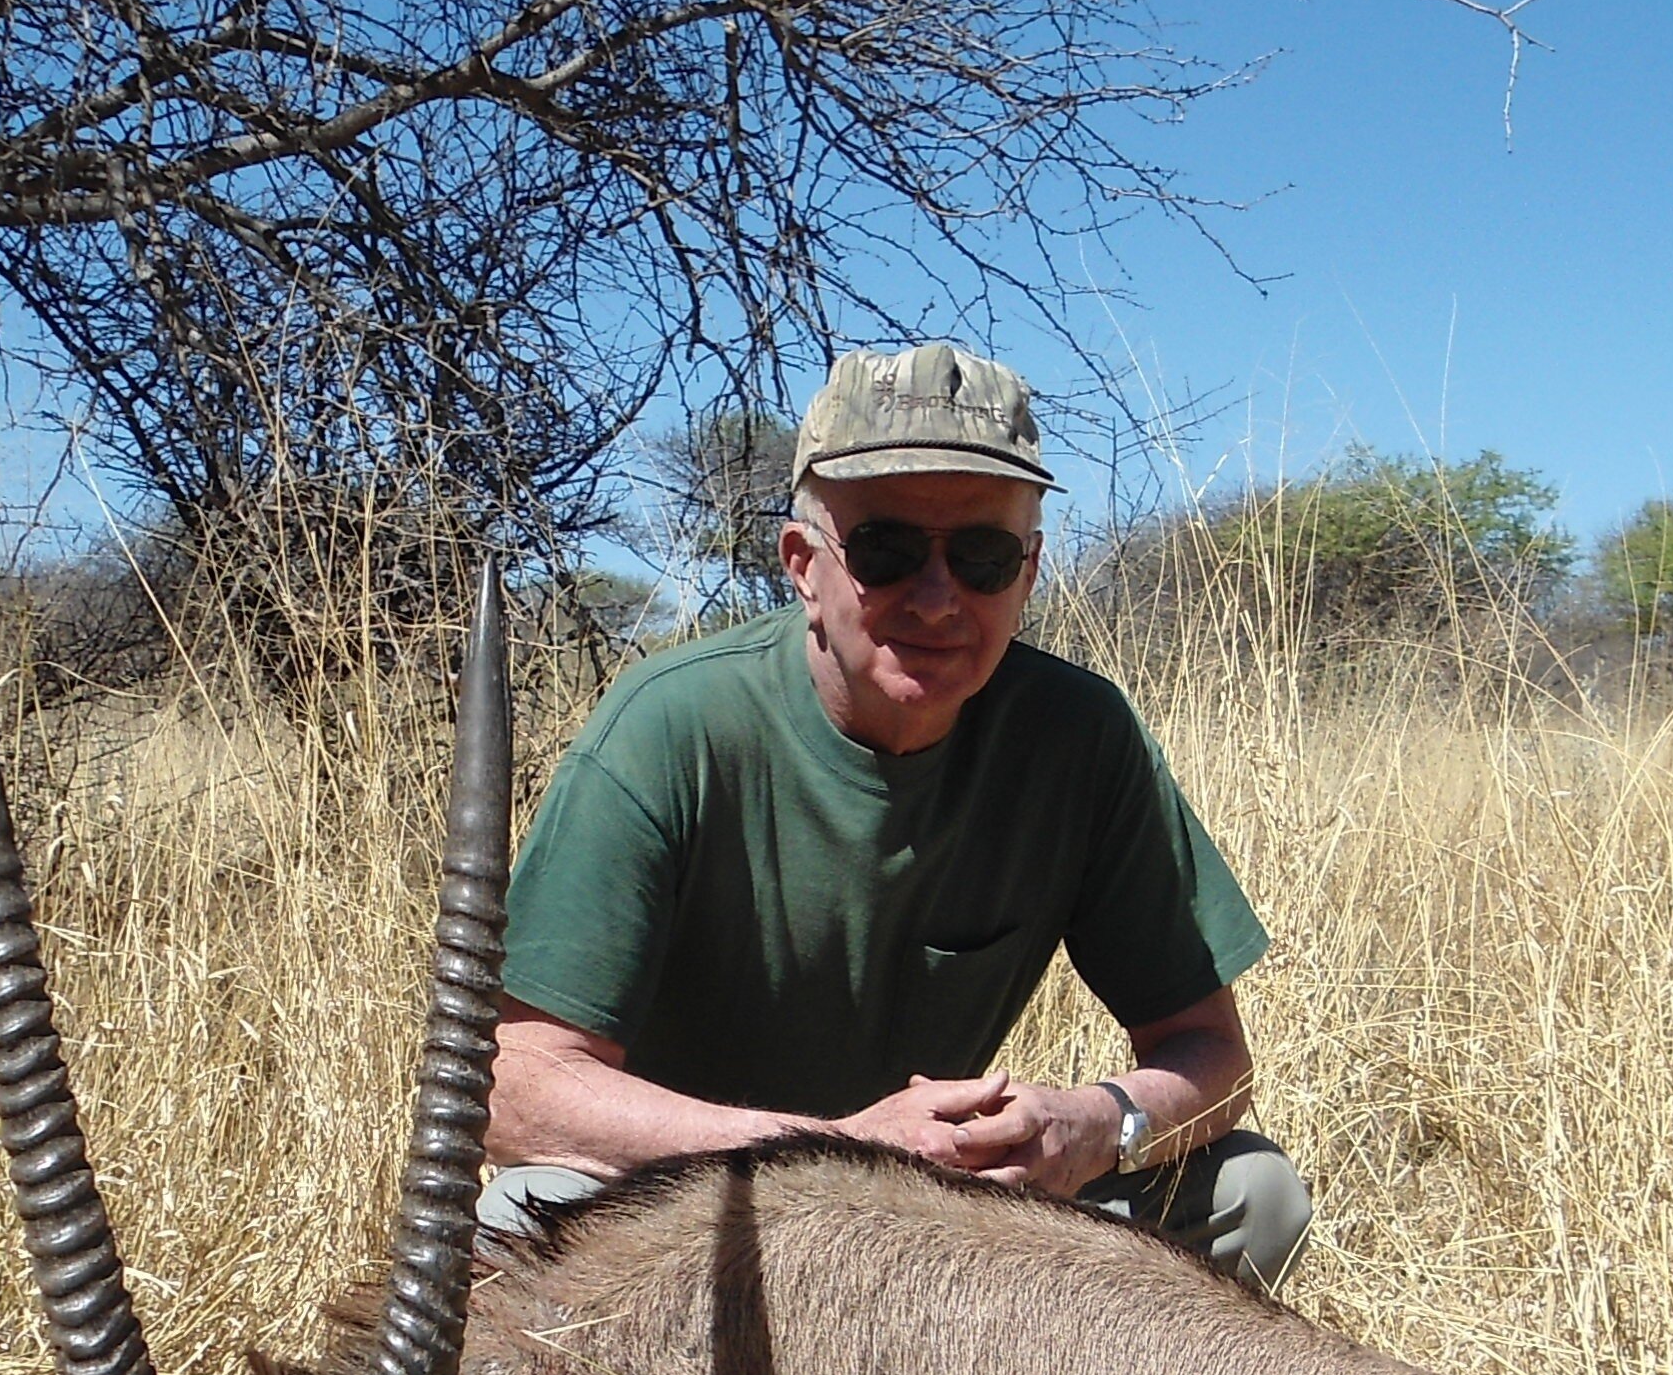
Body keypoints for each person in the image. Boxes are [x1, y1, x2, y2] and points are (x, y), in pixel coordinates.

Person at [477, 341, 1312, 1286]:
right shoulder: (667, 726)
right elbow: (516, 1086)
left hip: (942, 1210)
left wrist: (1086, 1126)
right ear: (804, 565)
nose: (936, 596)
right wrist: (830, 1153)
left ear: (1029, 573)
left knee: (1255, 1193)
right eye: (887, 550)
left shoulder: (1081, 736)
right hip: (701, 1206)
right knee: (508, 1229)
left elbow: (1212, 1056)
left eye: (983, 556)